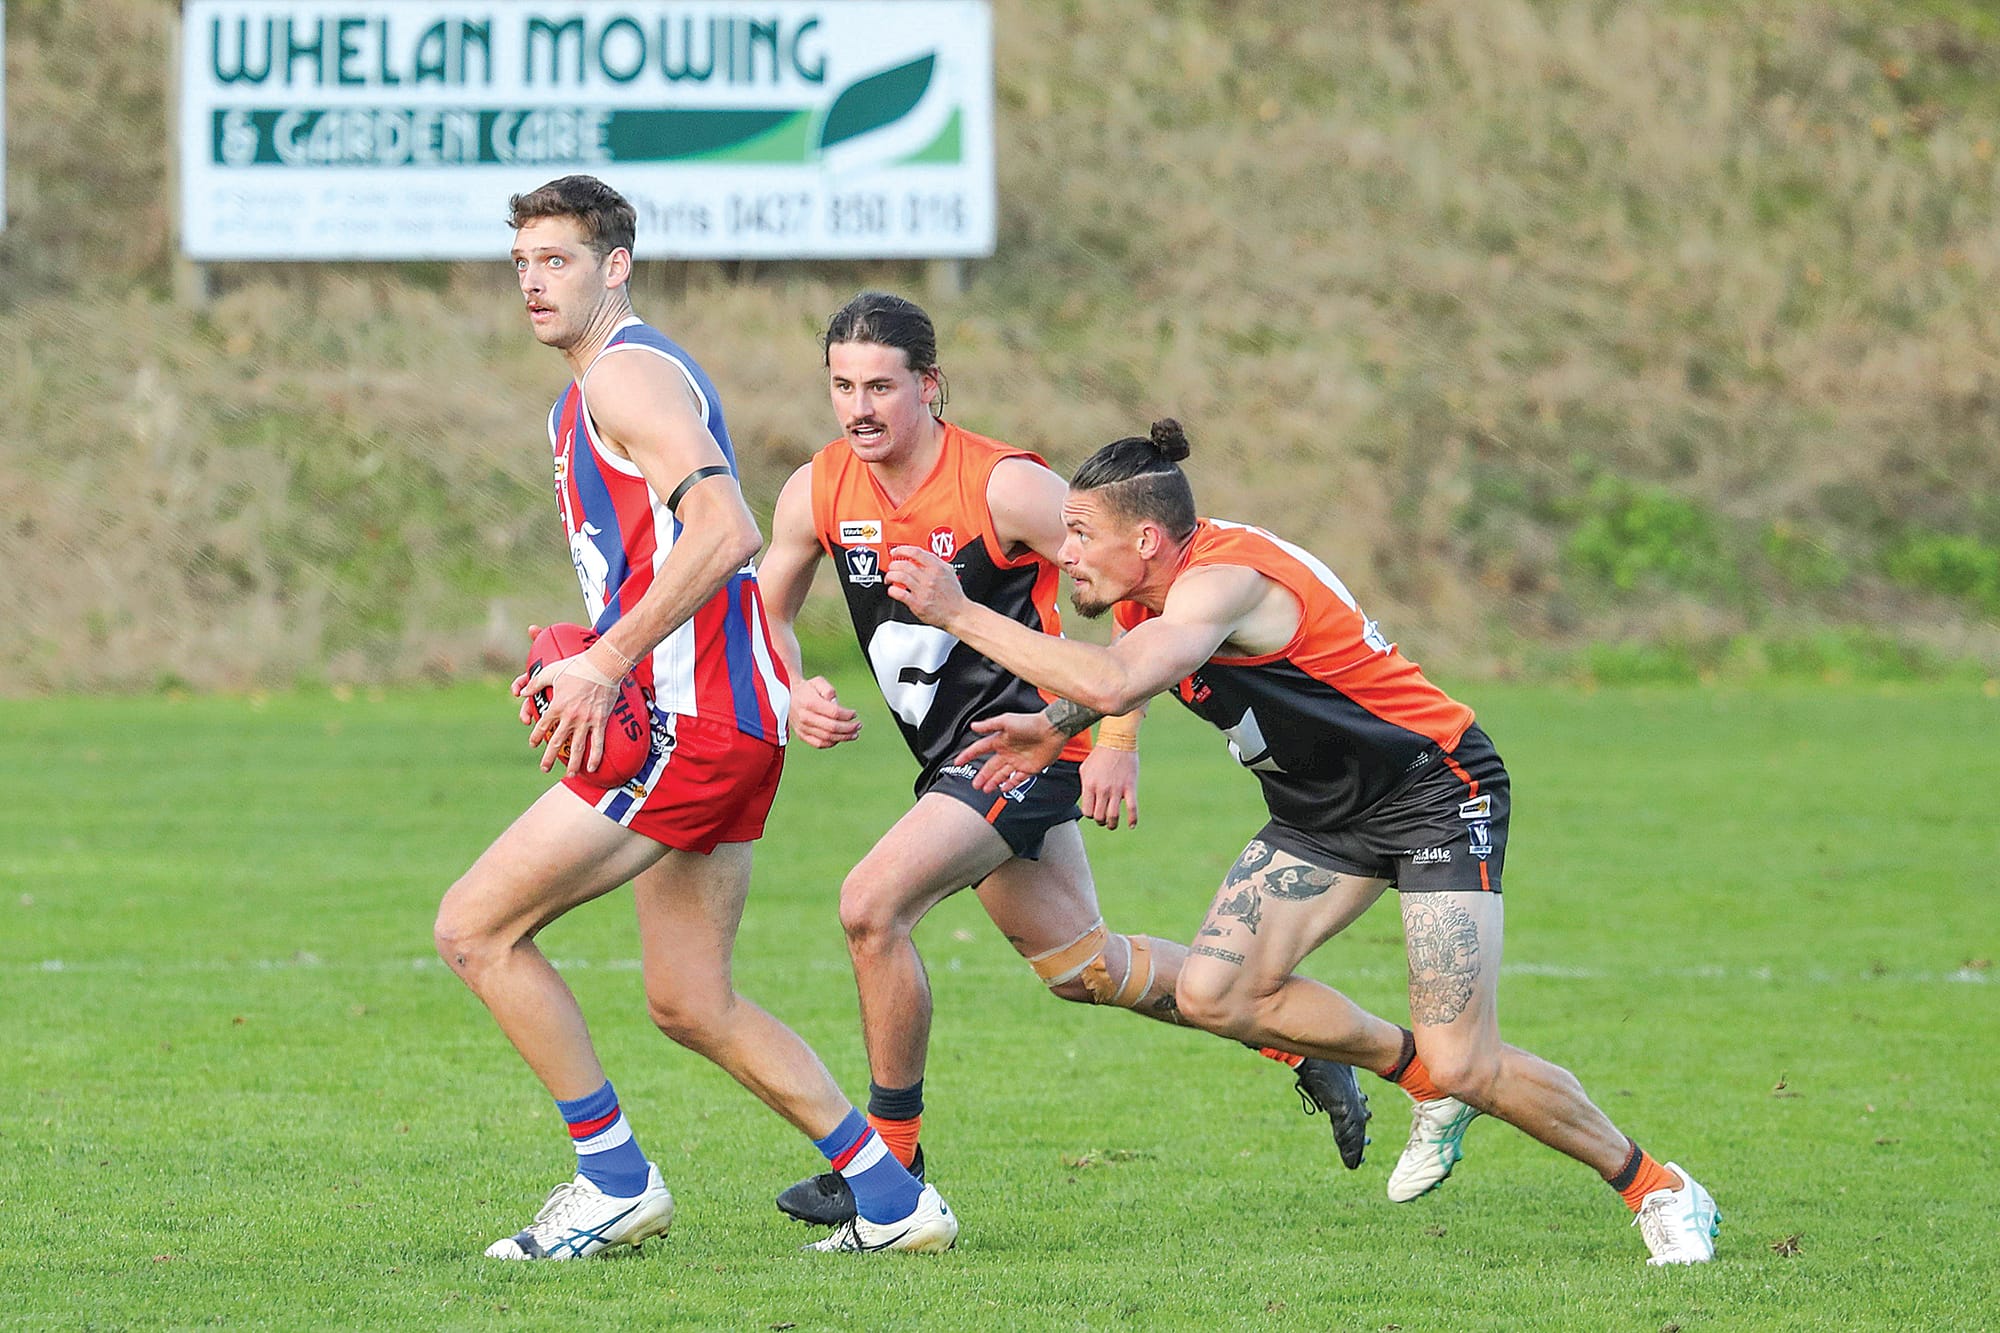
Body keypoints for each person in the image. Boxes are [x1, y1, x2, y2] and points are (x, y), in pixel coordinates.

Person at [882, 418, 1721, 1265]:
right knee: (1214, 994)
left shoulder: (1224, 582)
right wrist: (1057, 727)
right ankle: (1420, 1077)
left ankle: (1659, 1187)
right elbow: (1125, 669)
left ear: (1145, 540)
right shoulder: (1147, 590)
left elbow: (1121, 676)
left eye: (1079, 534)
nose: (1064, 554)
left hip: (1433, 791)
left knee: (1468, 1060)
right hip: (1321, 813)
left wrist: (959, 611)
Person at [752, 293, 1371, 1229]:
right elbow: (768, 610)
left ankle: (888, 1166)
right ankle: (1293, 1036)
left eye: (880, 386)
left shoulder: (1006, 486)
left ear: (930, 385)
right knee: (1086, 967)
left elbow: (1138, 586)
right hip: (952, 761)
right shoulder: (818, 488)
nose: (859, 408)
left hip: (1028, 744)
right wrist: (793, 687)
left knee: (870, 906)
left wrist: (1115, 737)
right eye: (842, 386)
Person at [432, 178, 955, 1260]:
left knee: (476, 928)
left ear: (615, 266)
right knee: (688, 999)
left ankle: (613, 1181)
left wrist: (607, 659)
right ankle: (893, 1197)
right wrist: (595, 653)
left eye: (558, 260)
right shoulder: (593, 388)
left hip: (691, 724)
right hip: (717, 721)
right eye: (522, 262)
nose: (533, 281)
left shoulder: (624, 376)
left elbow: (726, 527)